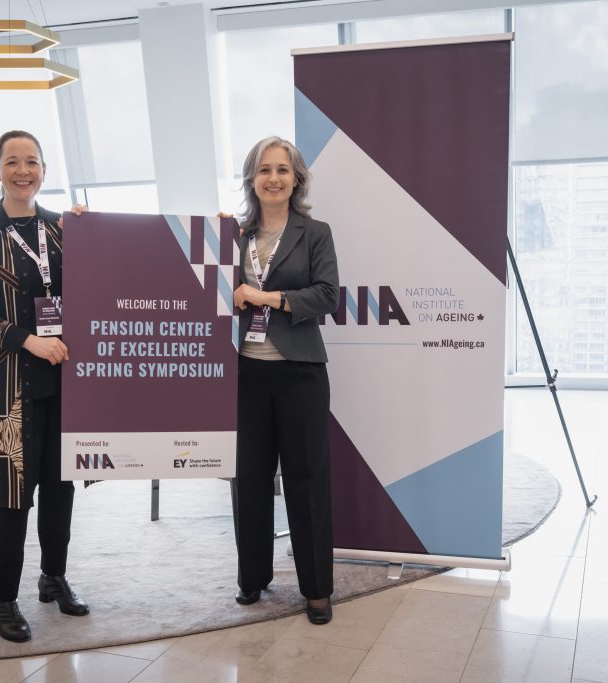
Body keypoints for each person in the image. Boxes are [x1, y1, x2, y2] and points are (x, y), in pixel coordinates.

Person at [0, 130, 87, 643]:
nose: (23, 171)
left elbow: (100, 283)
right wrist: (28, 341)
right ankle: (4, 599)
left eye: (32, 161)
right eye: (12, 161)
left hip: (66, 381)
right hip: (9, 385)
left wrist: (92, 234)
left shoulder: (62, 229)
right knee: (12, 496)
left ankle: (53, 578)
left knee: (60, 488)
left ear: (44, 170)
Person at [232, 136, 340, 625]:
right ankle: (252, 578)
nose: (273, 178)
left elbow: (327, 295)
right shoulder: (232, 237)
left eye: (282, 170)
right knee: (249, 479)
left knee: (306, 480)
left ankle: (316, 589)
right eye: (264, 170)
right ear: (251, 179)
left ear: (296, 179)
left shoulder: (315, 233)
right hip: (245, 374)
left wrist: (267, 297)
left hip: (300, 374)